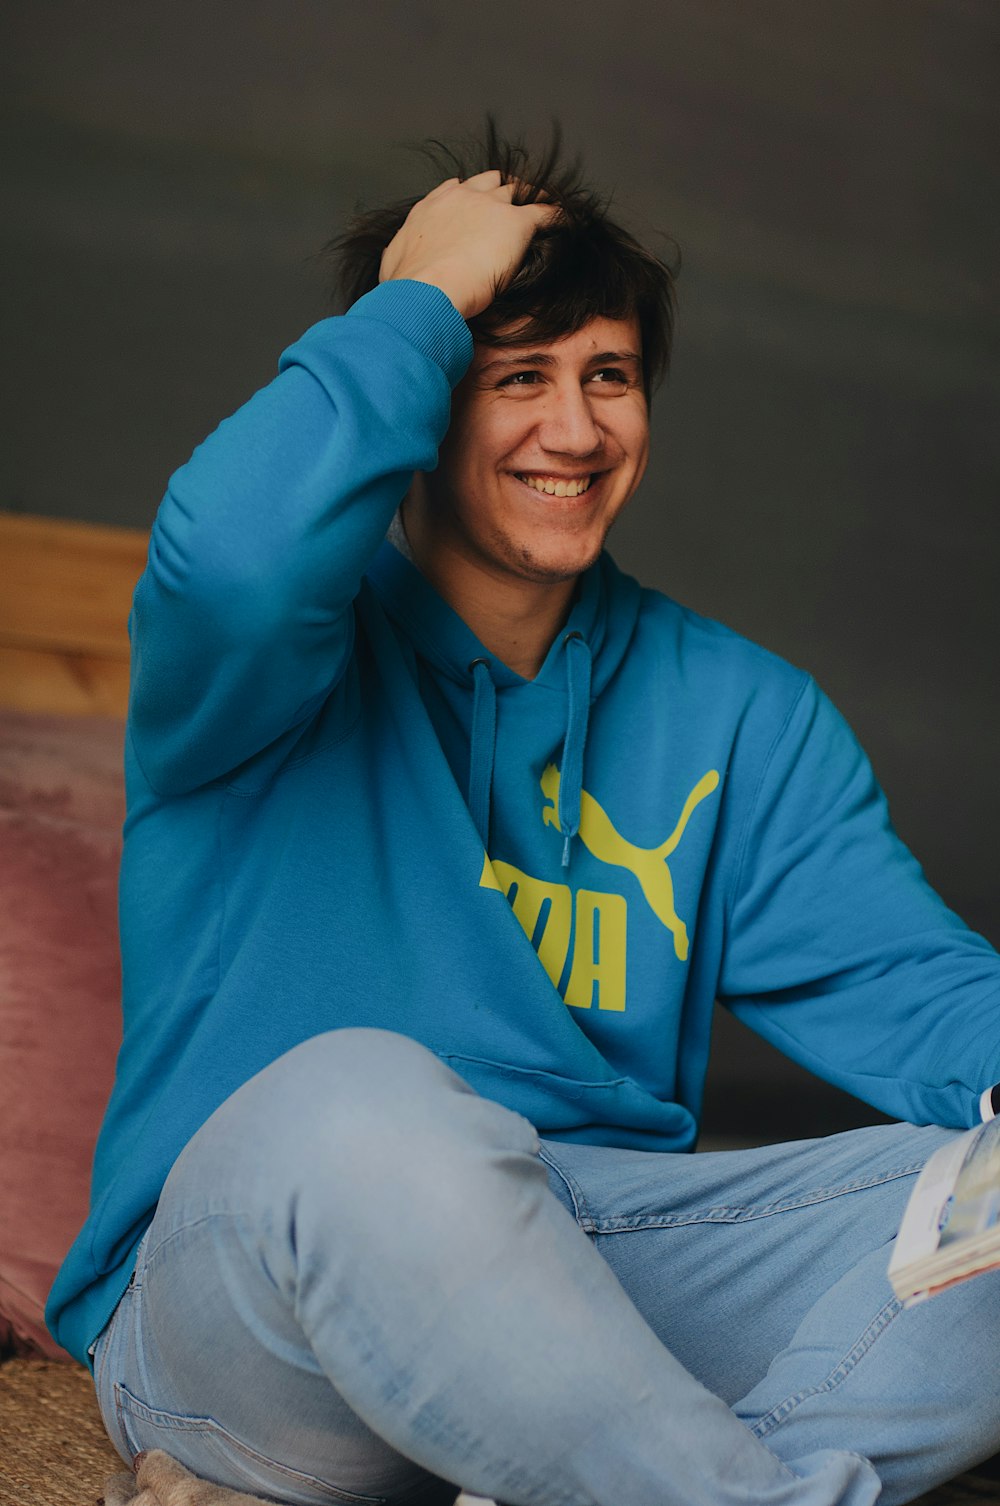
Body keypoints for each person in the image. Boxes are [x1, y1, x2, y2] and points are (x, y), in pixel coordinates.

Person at [48, 127, 1000, 1506]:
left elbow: (918, 990)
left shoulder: (738, 709)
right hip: (258, 1271)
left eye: (606, 375)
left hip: (585, 1273)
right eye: (516, 379)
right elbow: (234, 554)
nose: (574, 428)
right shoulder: (261, 655)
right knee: (368, 1106)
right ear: (423, 400)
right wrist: (424, 295)